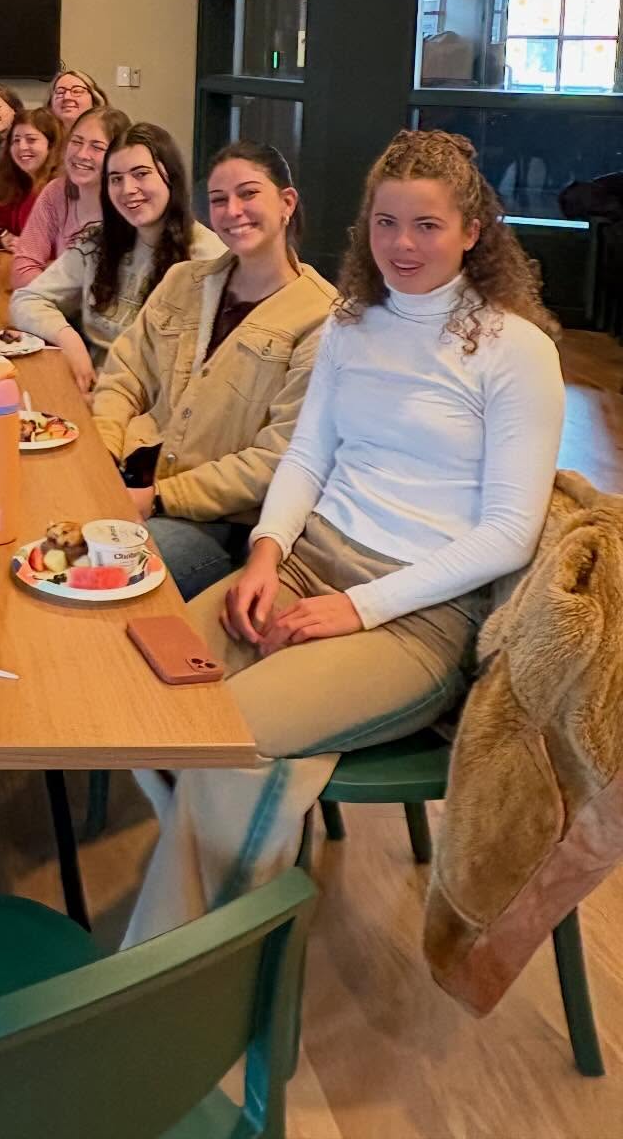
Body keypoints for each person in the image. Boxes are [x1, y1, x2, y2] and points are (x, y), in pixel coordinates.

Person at [122, 129, 564, 949]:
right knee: (140, 693)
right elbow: (307, 456)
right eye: (385, 222)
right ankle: (227, 888)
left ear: (473, 230)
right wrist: (266, 553)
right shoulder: (352, 325)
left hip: (417, 614)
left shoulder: (516, 351)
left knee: (230, 735)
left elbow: (510, 534)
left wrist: (358, 609)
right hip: (305, 563)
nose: (401, 244)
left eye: (427, 225)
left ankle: (168, 973)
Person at [91, 142, 336, 599]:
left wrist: (157, 498)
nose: (232, 211)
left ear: (287, 203)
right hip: (127, 478)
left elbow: (276, 458)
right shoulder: (184, 280)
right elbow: (124, 375)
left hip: (214, 523)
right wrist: (103, 452)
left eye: (248, 194)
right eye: (219, 200)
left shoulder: (321, 320)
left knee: (105, 575)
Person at [10, 122, 225, 392]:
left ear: (170, 176)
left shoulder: (208, 259)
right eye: (116, 179)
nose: (127, 189)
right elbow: (27, 299)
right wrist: (69, 340)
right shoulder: (99, 243)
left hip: (147, 412)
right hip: (89, 386)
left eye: (141, 174)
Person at [9, 104, 130, 288]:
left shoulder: (131, 204)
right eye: (76, 142)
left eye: (97, 147)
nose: (81, 154)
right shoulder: (56, 192)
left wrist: (52, 289)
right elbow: (23, 267)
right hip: (55, 311)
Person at [0, 108, 62, 252]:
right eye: (16, 140)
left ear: (51, 145)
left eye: (31, 140)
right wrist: (2, 235)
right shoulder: (18, 183)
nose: (22, 147)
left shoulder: (60, 189)